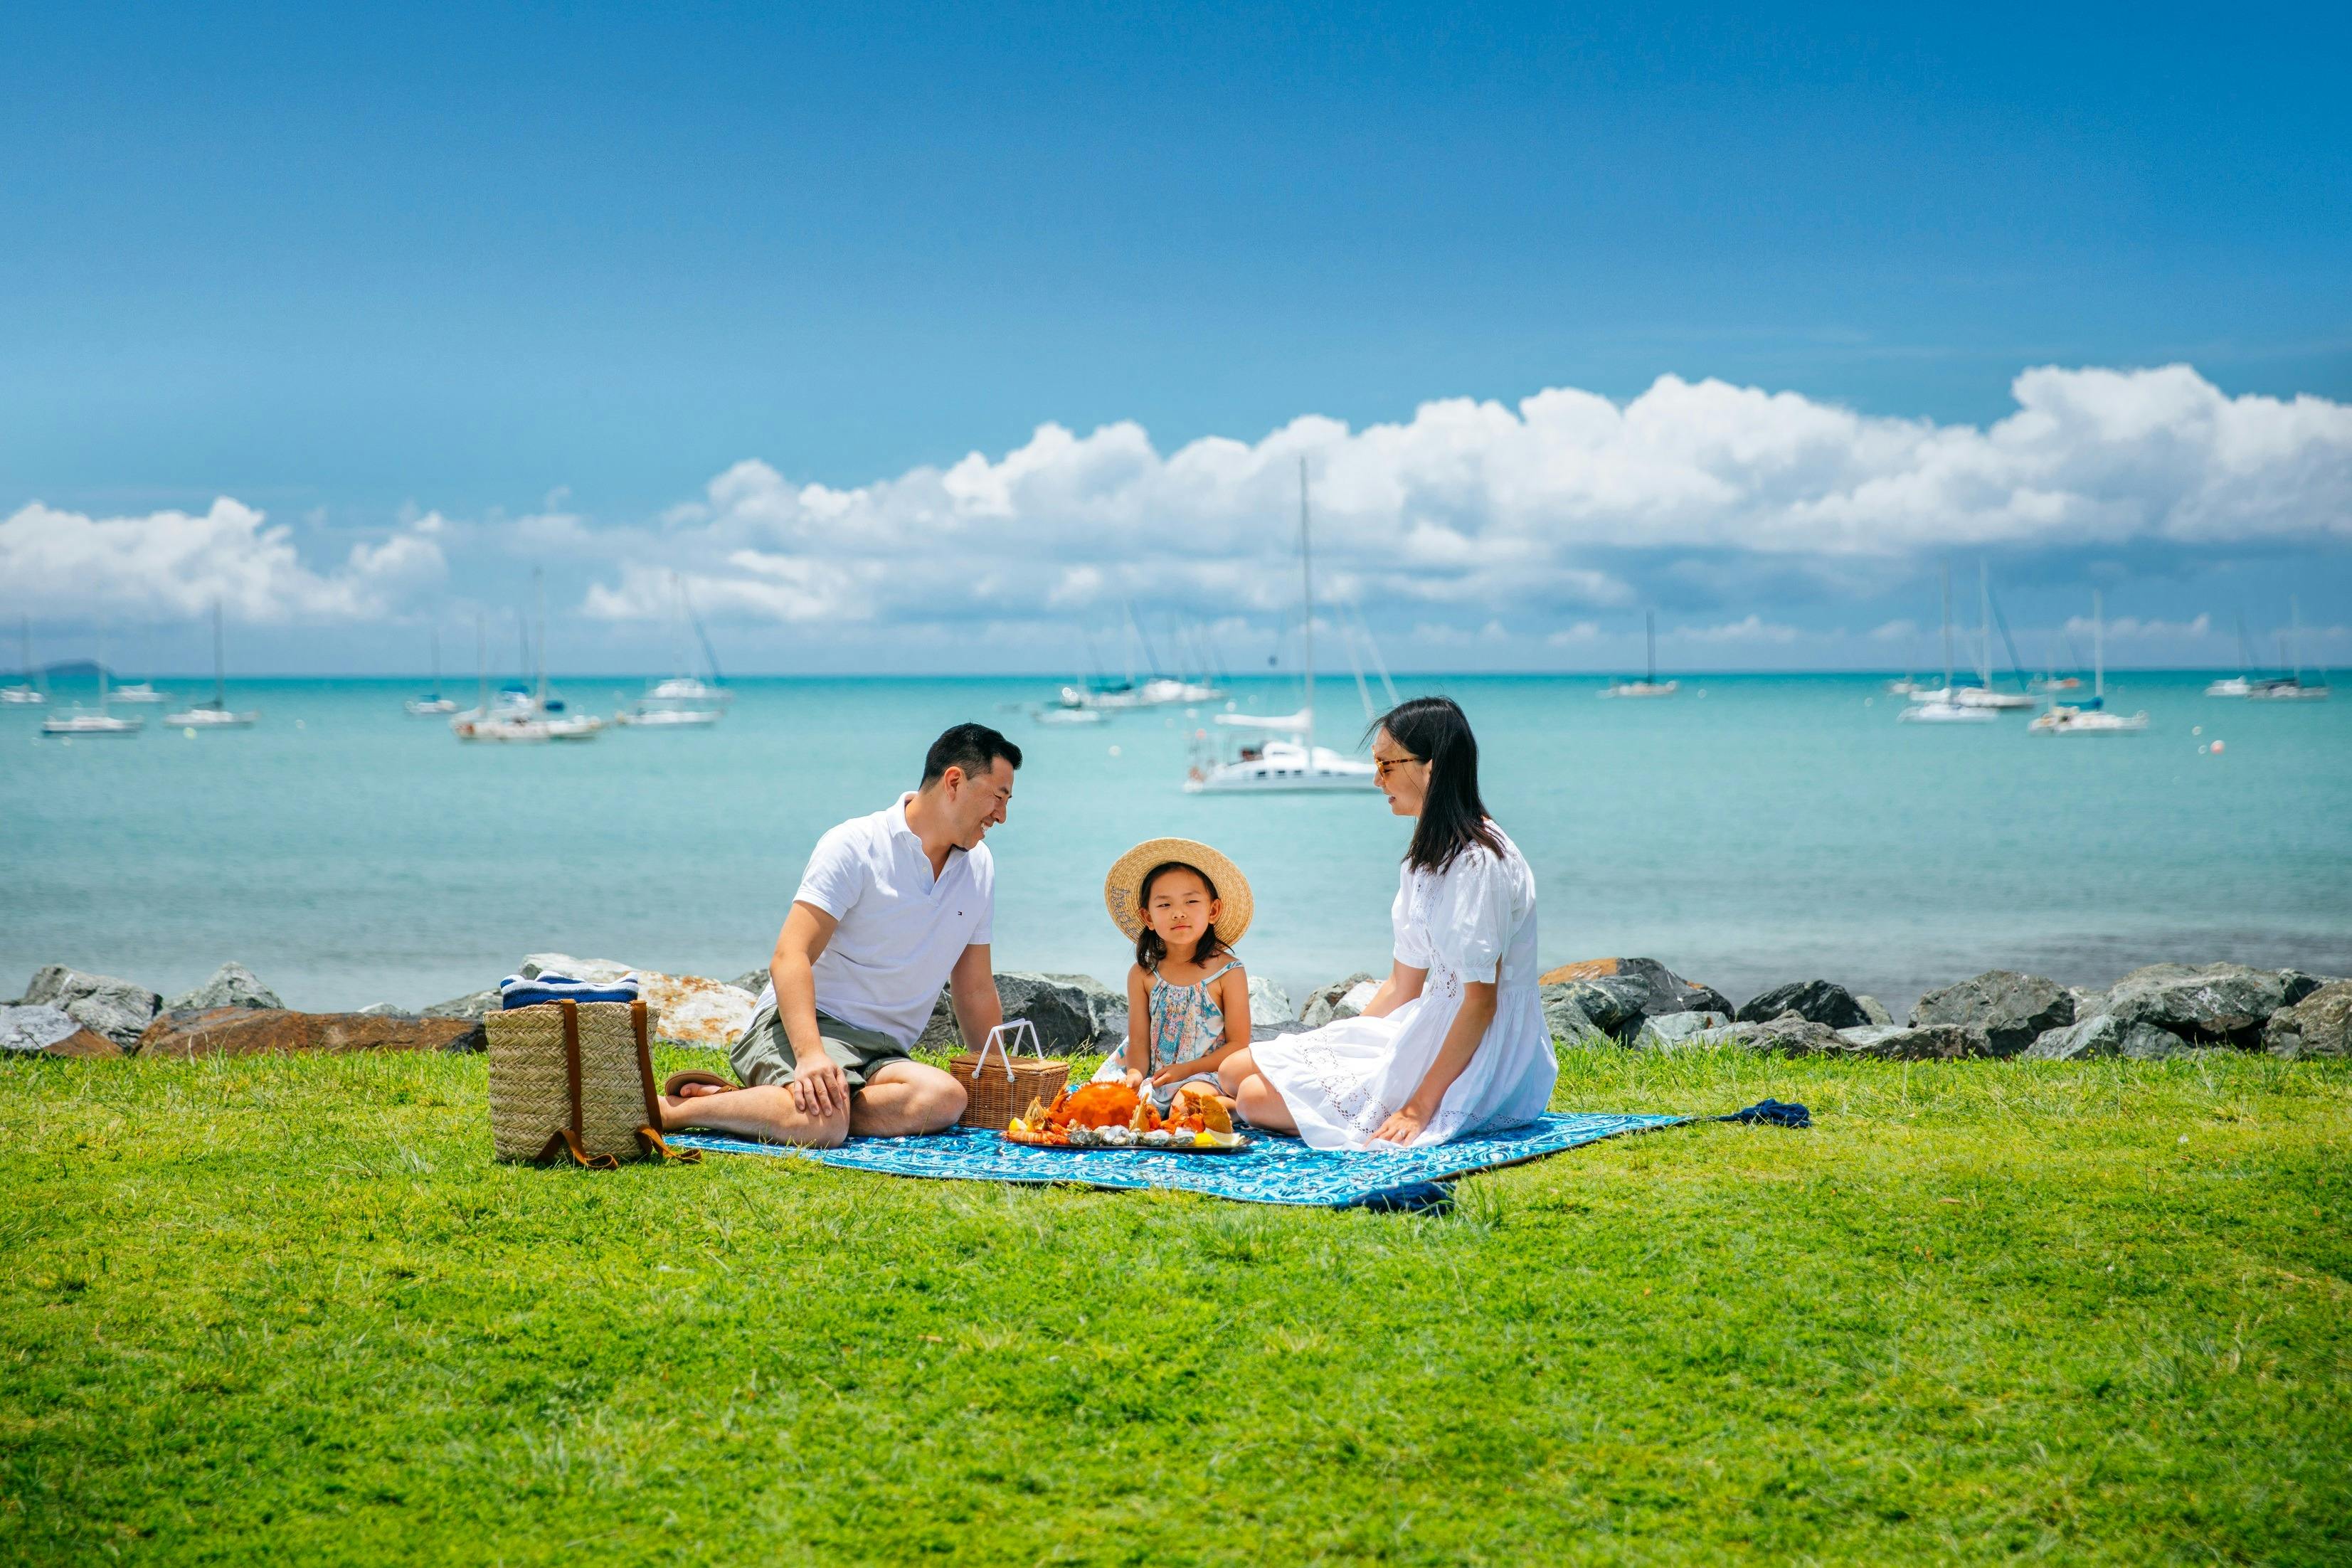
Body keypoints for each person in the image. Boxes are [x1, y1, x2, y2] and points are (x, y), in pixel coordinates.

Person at [659, 722, 1022, 1147]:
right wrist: (811, 1054)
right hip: (806, 1025)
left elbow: (975, 989)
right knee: (822, 1126)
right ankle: (670, 1111)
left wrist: (1004, 1079)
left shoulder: (980, 867)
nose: (1002, 815)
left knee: (944, 1099)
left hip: (883, 1053)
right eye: (998, 797)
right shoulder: (855, 845)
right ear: (955, 781)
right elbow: (789, 955)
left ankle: (765, 1105)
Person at [1218, 696, 1554, 1149]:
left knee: (1256, 1098)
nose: (1377, 781)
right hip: (1426, 1024)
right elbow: (1403, 983)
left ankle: (1236, 1111)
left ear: (1430, 768)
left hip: (1483, 1049)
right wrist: (1333, 1046)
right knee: (1233, 1069)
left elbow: (1480, 1003)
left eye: (1386, 766)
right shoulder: (1427, 854)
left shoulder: (1479, 861)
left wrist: (1418, 1107)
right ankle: (1241, 1103)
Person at [1086, 838, 1255, 1112]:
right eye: (1164, 905)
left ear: (1213, 910)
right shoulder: (1143, 975)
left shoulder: (1228, 972)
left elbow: (1238, 1044)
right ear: (1148, 918)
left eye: (1191, 901)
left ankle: (1239, 1107)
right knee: (1107, 1108)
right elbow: (1139, 1042)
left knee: (1185, 1107)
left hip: (1205, 1074)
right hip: (1154, 1075)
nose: (1178, 913)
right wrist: (1135, 1076)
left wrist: (1187, 1069)